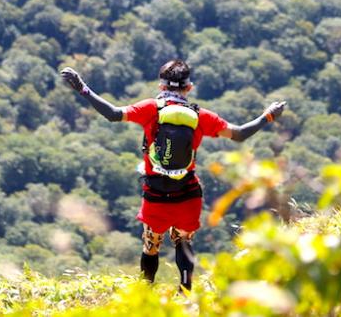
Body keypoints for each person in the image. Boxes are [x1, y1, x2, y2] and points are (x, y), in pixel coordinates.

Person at [60, 59, 286, 292]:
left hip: (156, 195)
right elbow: (238, 134)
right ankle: (186, 290)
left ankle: (146, 293)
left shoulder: (150, 109)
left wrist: (82, 88)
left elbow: (114, 114)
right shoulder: (200, 116)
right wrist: (268, 116)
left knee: (151, 245)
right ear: (189, 88)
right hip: (188, 194)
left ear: (161, 87)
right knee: (184, 242)